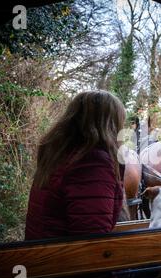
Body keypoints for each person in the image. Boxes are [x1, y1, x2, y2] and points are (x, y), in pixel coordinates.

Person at [25, 91, 126, 240]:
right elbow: (93, 239)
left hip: (42, 251)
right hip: (62, 259)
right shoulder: (92, 163)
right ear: (110, 125)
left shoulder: (59, 154)